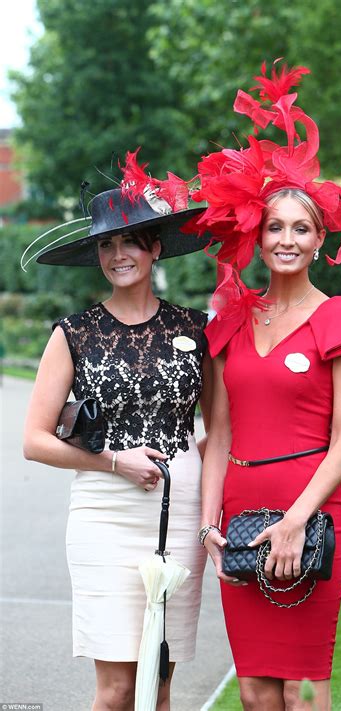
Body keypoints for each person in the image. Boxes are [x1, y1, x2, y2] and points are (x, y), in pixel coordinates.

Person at [191, 61, 341, 710]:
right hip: (239, 516)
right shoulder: (230, 318)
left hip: (310, 517)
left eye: (300, 228)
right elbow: (219, 433)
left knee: (301, 687)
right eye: (275, 227)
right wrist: (210, 525)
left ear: (321, 240)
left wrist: (295, 521)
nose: (286, 238)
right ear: (257, 238)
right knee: (257, 692)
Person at [22, 151, 212, 711]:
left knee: (158, 682)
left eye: (131, 241)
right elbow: (34, 440)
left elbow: (222, 430)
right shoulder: (73, 334)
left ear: (155, 247)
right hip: (104, 513)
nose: (118, 254)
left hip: (177, 512)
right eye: (106, 244)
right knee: (116, 689)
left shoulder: (197, 329)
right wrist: (114, 461)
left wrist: (201, 488)